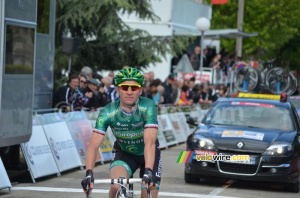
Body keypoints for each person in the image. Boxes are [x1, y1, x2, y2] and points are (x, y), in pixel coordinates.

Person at [81, 67, 161, 198]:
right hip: (124, 153)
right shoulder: (108, 111)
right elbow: (94, 145)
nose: (129, 92)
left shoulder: (148, 106)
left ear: (140, 91)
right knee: (116, 186)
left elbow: (150, 142)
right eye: (124, 87)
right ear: (118, 90)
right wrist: (89, 173)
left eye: (134, 88)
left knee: (148, 194)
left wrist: (148, 170)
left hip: (149, 154)